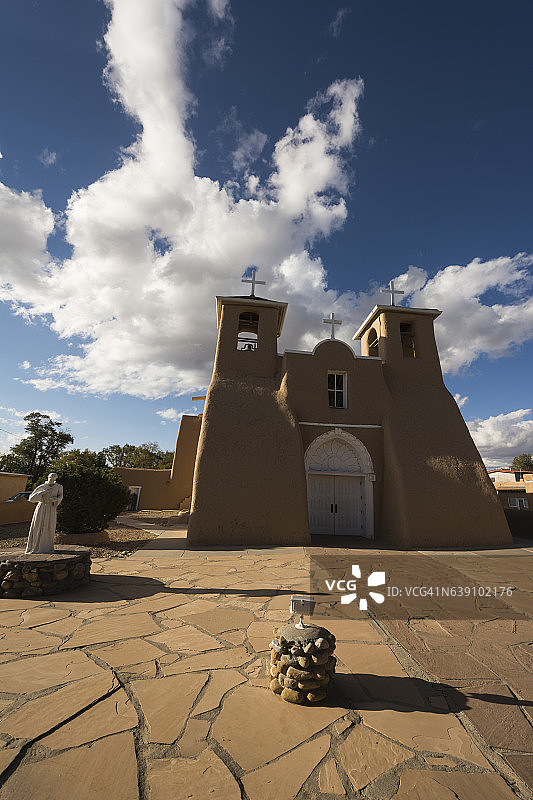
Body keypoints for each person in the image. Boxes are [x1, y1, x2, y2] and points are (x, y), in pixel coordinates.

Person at [25, 473, 63, 554]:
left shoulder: (59, 487)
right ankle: (36, 547)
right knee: (38, 526)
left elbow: (60, 496)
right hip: (41, 508)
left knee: (49, 527)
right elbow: (31, 498)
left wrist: (56, 499)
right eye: (50, 478)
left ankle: (46, 547)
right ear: (48, 478)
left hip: (51, 508)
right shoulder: (42, 487)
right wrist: (41, 493)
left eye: (54, 479)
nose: (52, 480)